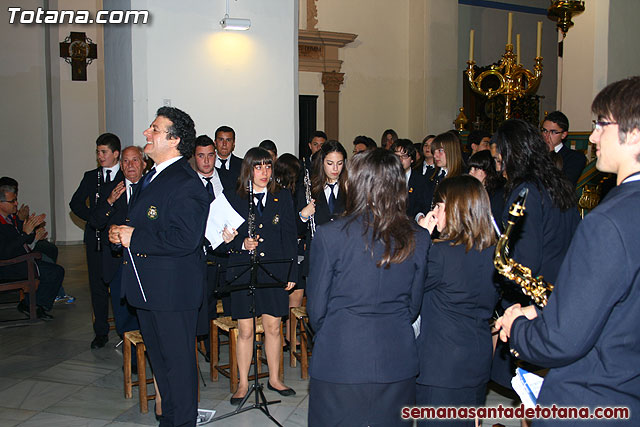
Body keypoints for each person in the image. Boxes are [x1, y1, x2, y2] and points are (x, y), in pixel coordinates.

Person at [496, 76, 640, 425]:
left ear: (633, 133)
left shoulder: (608, 222)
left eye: (600, 125)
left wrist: (518, 326)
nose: (591, 137)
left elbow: (561, 343)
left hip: (591, 399)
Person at [307, 148, 429, 426]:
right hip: (395, 356)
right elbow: (413, 306)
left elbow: (316, 310)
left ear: (358, 183)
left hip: (341, 355)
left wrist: (341, 331)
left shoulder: (330, 234)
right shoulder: (418, 237)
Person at [109, 106, 210, 427]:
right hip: (149, 290)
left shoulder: (186, 182)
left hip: (172, 293)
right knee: (161, 365)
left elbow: (185, 239)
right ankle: (169, 421)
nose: (146, 134)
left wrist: (134, 236)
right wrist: (122, 235)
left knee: (178, 368)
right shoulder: (154, 176)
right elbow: (149, 226)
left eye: (154, 129)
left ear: (174, 139)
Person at [490, 118, 580, 390]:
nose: (498, 166)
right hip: (560, 297)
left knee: (528, 390)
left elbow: (523, 261)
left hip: (531, 305)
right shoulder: (558, 184)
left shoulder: (525, 192)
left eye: (499, 159)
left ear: (510, 156)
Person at [415, 176, 499, 426]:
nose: (434, 212)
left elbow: (406, 288)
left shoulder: (440, 254)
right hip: (477, 357)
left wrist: (419, 238)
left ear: (454, 209)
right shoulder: (493, 252)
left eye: (438, 206)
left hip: (441, 366)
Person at [225, 147, 297, 404]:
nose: (264, 172)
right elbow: (219, 240)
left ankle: (275, 379)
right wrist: (241, 245)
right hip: (244, 271)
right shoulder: (234, 198)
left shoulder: (283, 197)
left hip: (273, 271)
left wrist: (291, 272)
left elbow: (290, 237)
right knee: (245, 330)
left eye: (268, 167)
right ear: (249, 169)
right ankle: (243, 383)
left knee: (274, 327)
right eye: (259, 167)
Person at [69, 132, 123, 349]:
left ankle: (124, 331)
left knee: (118, 288)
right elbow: (75, 203)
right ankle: (100, 331)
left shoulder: (125, 177)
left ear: (115, 154)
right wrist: (93, 217)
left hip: (117, 241)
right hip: (95, 240)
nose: (100, 156)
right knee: (97, 286)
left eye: (104, 152)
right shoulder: (92, 176)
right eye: (98, 152)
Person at [89, 146, 146, 337]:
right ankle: (131, 358)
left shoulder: (153, 188)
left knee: (146, 314)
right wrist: (110, 201)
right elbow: (95, 222)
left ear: (144, 164)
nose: (130, 165)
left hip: (146, 261)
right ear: (121, 166)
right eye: (126, 161)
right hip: (118, 263)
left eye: (135, 160)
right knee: (124, 315)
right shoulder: (110, 189)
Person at [192, 134, 237, 358]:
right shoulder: (188, 184)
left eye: (211, 155)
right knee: (206, 301)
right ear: (195, 158)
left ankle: (235, 346)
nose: (207, 161)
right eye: (201, 156)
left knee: (231, 299)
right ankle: (211, 349)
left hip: (228, 250)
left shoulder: (230, 179)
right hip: (202, 252)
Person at [0, 184, 63, 320]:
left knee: (51, 260)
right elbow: (5, 252)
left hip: (19, 260)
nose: (16, 203)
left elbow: (18, 241)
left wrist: (32, 234)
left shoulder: (8, 218)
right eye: (12, 201)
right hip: (8, 266)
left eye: (15, 200)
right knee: (54, 272)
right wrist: (25, 234)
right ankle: (34, 305)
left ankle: (31, 303)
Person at [541, 111, 587, 186]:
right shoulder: (536, 154)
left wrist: (551, 154)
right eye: (545, 131)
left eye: (553, 132)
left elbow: (564, 184)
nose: (547, 136)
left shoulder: (575, 157)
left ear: (563, 135)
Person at [423, 131, 465, 211]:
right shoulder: (430, 175)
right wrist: (420, 216)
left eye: (440, 151)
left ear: (451, 151)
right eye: (434, 151)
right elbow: (422, 203)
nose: (435, 156)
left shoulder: (463, 179)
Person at [391, 139, 429, 218]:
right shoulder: (386, 178)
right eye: (397, 156)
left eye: (404, 156)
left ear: (412, 159)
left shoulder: (420, 180)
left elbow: (422, 207)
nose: (400, 160)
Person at [468, 150, 506, 225]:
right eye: (470, 169)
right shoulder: (474, 191)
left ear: (488, 171)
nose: (470, 173)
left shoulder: (498, 195)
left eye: (475, 169)